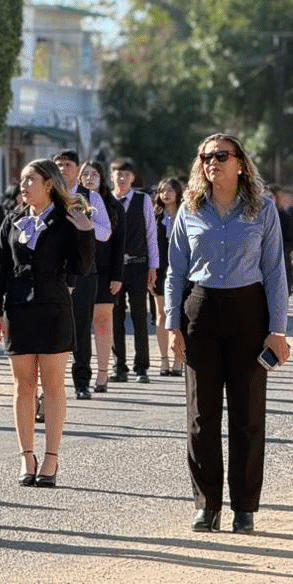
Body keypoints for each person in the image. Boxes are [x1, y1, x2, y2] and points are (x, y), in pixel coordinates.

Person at [166, 134, 289, 534]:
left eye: (221, 155)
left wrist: (278, 330)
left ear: (240, 163)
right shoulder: (190, 209)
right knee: (201, 415)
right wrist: (171, 324)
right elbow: (175, 272)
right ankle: (207, 506)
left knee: (248, 415)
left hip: (248, 313)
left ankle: (245, 507)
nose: (211, 162)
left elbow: (275, 272)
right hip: (200, 312)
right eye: (205, 156)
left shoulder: (263, 209)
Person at [0, 158, 94, 490]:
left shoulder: (67, 221)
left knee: (52, 387)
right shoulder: (12, 221)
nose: (23, 185)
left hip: (53, 310)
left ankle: (51, 457)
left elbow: (82, 265)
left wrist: (86, 233)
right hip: (18, 312)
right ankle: (26, 456)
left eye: (29, 179)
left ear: (48, 183)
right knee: (23, 387)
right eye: (21, 180)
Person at [54, 150, 112, 403]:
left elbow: (106, 233)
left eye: (68, 164)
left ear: (77, 169)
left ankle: (82, 381)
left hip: (84, 271)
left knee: (80, 326)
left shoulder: (92, 197)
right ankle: (50, 386)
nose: (63, 168)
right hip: (54, 271)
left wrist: (86, 225)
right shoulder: (49, 194)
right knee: (53, 329)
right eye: (59, 164)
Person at [78, 161, 125, 394]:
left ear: (102, 177)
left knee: (103, 321)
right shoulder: (74, 201)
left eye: (93, 174)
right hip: (81, 271)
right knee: (81, 323)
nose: (88, 178)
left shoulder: (112, 205)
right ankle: (82, 370)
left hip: (106, 269)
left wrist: (118, 274)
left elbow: (118, 243)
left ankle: (103, 372)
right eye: (84, 174)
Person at [111, 158, 159, 384]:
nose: (121, 179)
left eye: (125, 175)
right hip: (114, 268)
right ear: (111, 177)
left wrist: (153, 266)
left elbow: (151, 234)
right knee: (115, 316)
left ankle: (142, 367)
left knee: (140, 317)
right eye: (117, 174)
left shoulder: (143, 200)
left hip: (139, 265)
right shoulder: (105, 201)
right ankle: (119, 365)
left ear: (132, 178)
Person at [153, 177, 184, 376]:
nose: (166, 194)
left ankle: (179, 359)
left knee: (180, 314)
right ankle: (164, 359)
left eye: (170, 190)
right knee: (161, 313)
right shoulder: (155, 217)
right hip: (160, 268)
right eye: (162, 190)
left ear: (177, 192)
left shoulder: (186, 213)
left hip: (182, 269)